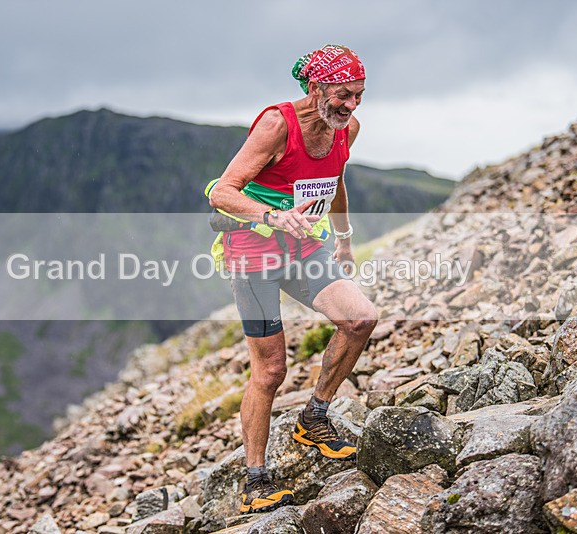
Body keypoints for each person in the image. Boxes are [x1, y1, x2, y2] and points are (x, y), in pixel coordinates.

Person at [208, 44, 379, 514]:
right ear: (317, 87)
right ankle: (255, 481)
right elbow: (222, 192)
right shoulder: (277, 124)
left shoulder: (347, 128)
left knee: (361, 319)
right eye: (343, 94)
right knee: (271, 371)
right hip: (253, 252)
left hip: (305, 247)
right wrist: (273, 215)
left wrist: (344, 239)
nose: (352, 105)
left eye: (359, 95)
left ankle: (314, 417)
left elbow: (335, 179)